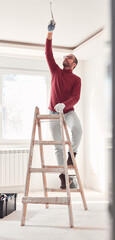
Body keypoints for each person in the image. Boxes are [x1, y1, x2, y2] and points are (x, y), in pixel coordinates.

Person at [45, 20, 82, 189]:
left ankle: (71, 155)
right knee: (57, 145)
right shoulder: (55, 71)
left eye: (69, 57)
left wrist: (64, 105)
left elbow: (76, 97)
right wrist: (50, 33)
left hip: (68, 112)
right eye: (66, 56)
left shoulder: (76, 79)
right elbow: (48, 53)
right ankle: (63, 177)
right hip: (54, 113)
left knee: (78, 130)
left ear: (74, 64)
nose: (65, 58)